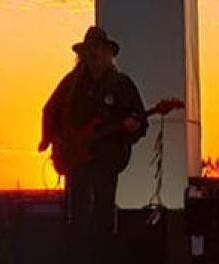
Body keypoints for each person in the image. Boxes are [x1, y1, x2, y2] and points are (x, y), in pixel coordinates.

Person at [38, 26, 147, 262]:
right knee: (77, 217)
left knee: (102, 216)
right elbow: (50, 109)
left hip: (105, 159)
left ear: (108, 54)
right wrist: (51, 140)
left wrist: (132, 127)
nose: (94, 54)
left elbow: (139, 119)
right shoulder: (71, 83)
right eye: (90, 50)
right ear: (83, 54)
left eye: (99, 49)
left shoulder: (120, 84)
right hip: (76, 160)